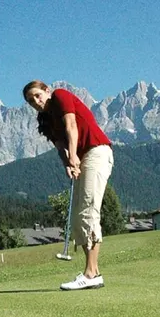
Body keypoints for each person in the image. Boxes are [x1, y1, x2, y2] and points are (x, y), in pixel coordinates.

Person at [23, 80, 114, 290]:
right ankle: (93, 272)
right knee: (77, 217)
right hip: (81, 157)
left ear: (47, 90)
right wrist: (68, 163)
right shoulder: (44, 120)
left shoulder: (60, 96)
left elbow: (71, 126)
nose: (36, 102)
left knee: (88, 212)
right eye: (30, 101)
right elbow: (60, 145)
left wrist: (73, 155)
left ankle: (91, 274)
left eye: (37, 96)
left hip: (96, 151)